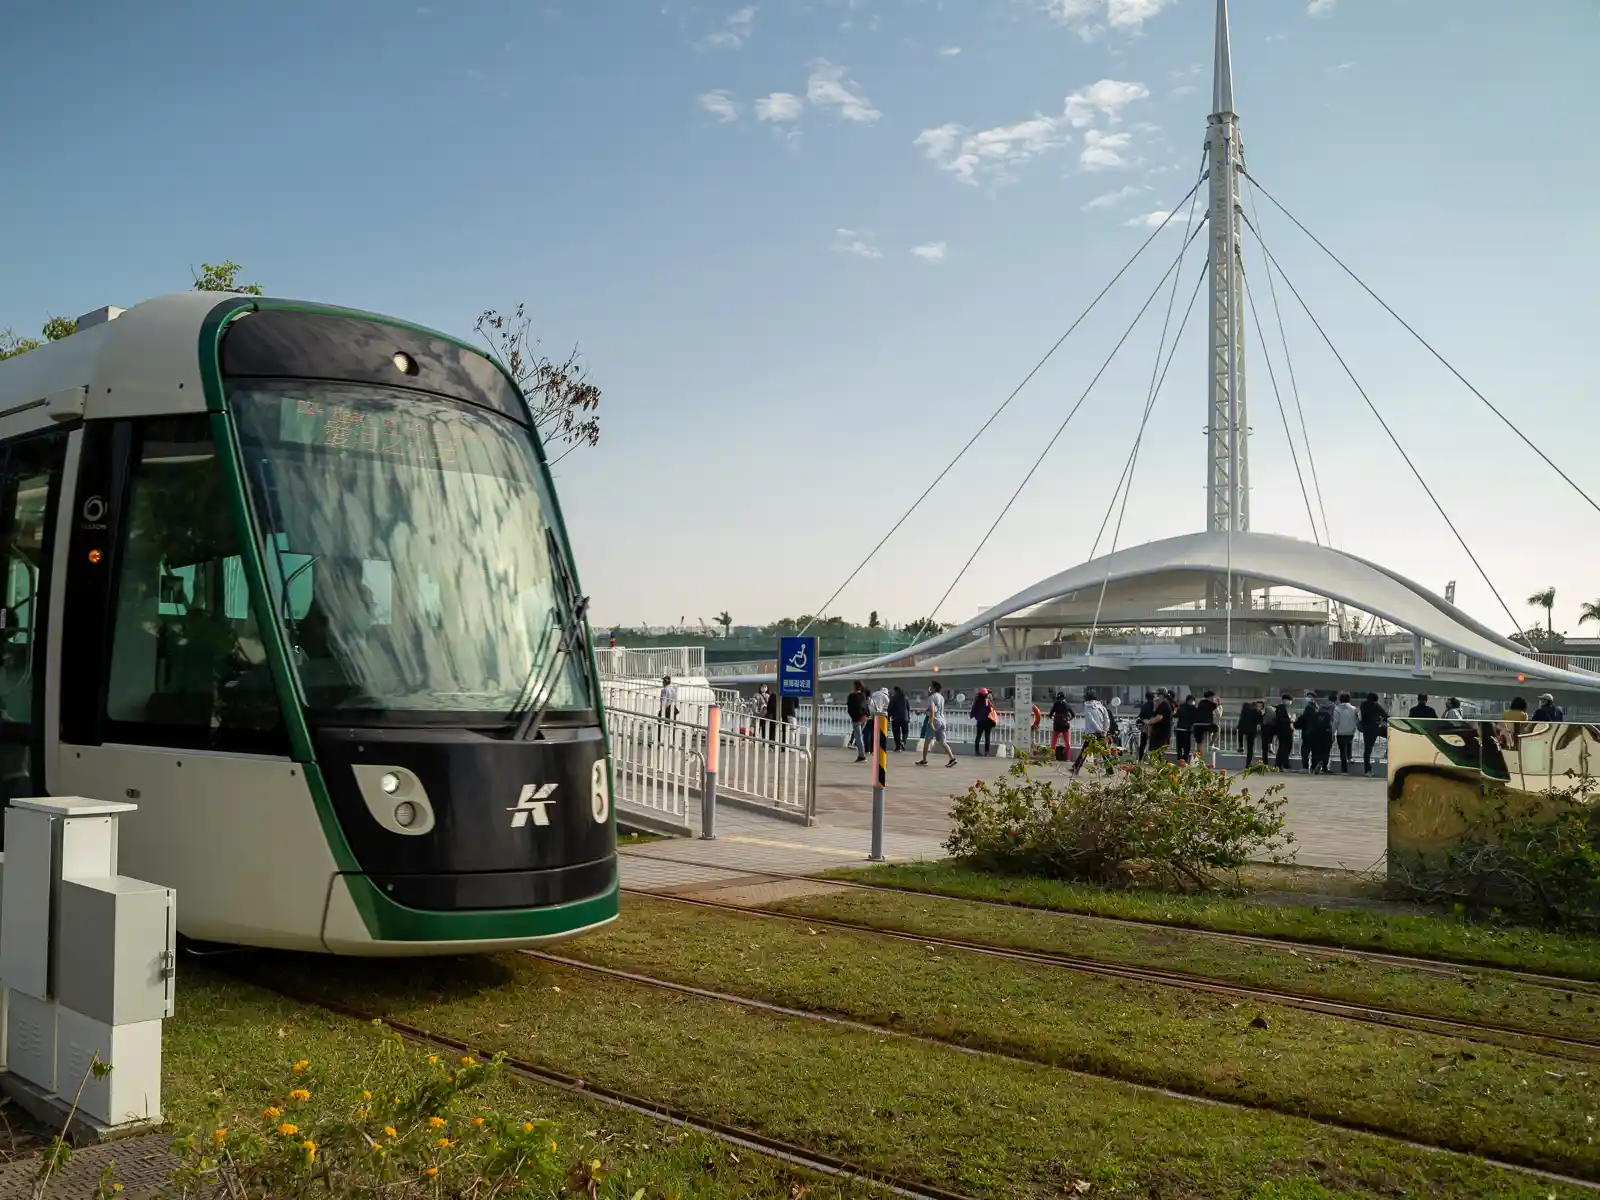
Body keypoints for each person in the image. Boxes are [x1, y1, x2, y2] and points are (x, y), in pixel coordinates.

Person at [916, 680, 958, 768]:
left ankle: (924, 760)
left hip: (935, 721)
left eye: (931, 687)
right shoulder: (941, 697)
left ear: (934, 688)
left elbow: (932, 710)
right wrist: (921, 711)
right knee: (942, 742)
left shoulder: (932, 697)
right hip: (942, 721)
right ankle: (952, 758)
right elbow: (931, 708)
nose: (930, 689)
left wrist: (930, 722)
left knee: (927, 741)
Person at [1073, 689, 1110, 775]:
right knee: (1104, 752)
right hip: (1101, 733)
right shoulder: (1101, 706)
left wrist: (1099, 730)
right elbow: (1106, 719)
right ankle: (1110, 771)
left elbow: (1091, 720)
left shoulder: (1087, 707)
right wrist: (1105, 730)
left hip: (1091, 733)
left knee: (1084, 751)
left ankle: (1075, 768)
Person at [1358, 692, 1388, 776]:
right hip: (1375, 728)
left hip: (1367, 730)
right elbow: (1385, 716)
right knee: (1391, 736)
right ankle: (1387, 752)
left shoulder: (1363, 705)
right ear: (1375, 700)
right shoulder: (1375, 706)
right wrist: (1379, 719)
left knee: (1367, 750)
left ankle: (1367, 771)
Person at [1332, 692, 1360, 774]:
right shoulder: (1354, 709)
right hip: (1350, 732)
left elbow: (1335, 722)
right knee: (1349, 745)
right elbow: (1357, 720)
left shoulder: (1337, 709)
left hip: (1341, 733)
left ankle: (1344, 770)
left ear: (1340, 700)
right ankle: (1350, 757)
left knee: (1342, 752)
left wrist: (1332, 733)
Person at [970, 688, 998, 757]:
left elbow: (973, 710)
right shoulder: (987, 701)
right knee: (987, 737)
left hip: (980, 722)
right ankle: (986, 752)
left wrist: (972, 715)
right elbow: (992, 708)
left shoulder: (977, 701)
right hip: (987, 722)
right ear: (985, 695)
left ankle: (977, 752)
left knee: (978, 737)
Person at [1146, 690, 1174, 758]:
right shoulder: (1161, 704)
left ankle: (1160, 763)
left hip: (1162, 731)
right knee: (1156, 748)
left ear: (1161, 696)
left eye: (1157, 695)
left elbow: (1159, 717)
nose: (1155, 697)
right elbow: (1155, 714)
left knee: (1160, 749)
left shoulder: (1164, 704)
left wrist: (1148, 722)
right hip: (1159, 731)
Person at [1194, 690, 1219, 763]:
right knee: (1217, 729)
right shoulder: (1212, 704)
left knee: (1199, 742)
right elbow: (1218, 714)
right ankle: (1211, 745)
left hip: (1197, 724)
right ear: (1211, 697)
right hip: (1207, 724)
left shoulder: (1201, 702)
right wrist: (1218, 703)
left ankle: (1198, 759)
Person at [846, 681, 869, 761]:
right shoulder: (863, 695)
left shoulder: (851, 696)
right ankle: (862, 753)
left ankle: (862, 756)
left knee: (858, 737)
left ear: (854, 686)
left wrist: (852, 716)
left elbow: (849, 708)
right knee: (859, 737)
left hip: (856, 719)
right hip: (864, 718)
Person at [1238, 698, 1264, 767]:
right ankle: (1248, 764)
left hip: (1242, 727)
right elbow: (1259, 721)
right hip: (1251, 730)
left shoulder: (1245, 708)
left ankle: (1240, 746)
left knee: (1240, 734)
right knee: (1250, 748)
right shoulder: (1257, 712)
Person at [1049, 691, 1075, 761]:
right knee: (1067, 744)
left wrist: (1054, 720)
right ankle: (1067, 758)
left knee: (1053, 743)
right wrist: (1068, 720)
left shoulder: (1056, 704)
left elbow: (1050, 715)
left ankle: (1052, 757)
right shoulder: (1067, 705)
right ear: (1064, 698)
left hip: (1056, 726)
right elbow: (1073, 715)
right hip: (1065, 726)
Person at [1272, 693, 1295, 771]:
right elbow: (1280, 720)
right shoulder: (1281, 708)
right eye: (1290, 701)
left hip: (1286, 731)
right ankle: (1282, 765)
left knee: (1285, 747)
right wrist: (1290, 720)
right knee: (1284, 748)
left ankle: (1280, 764)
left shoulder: (1284, 708)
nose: (1290, 702)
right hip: (1284, 731)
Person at [1174, 693, 1199, 763]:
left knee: (1179, 746)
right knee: (1186, 747)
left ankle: (1179, 760)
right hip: (1187, 730)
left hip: (1179, 729)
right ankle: (1185, 760)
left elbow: (1176, 715)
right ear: (1190, 700)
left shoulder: (1181, 706)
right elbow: (1195, 719)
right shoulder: (1194, 708)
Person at [868, 684, 891, 754]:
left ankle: (871, 749)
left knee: (873, 733)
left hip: (873, 715)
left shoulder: (874, 694)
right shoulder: (885, 696)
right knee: (882, 734)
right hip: (882, 716)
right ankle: (882, 749)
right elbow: (889, 705)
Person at [888, 686, 911, 751]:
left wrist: (888, 716)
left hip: (896, 718)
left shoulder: (893, 698)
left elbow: (890, 709)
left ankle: (898, 747)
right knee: (905, 732)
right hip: (905, 718)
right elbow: (908, 708)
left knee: (896, 733)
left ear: (896, 691)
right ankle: (903, 742)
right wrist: (908, 717)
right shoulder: (906, 698)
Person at [1137, 692, 1157, 758]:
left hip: (1144, 726)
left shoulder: (1144, 706)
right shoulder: (1156, 706)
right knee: (1153, 744)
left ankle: (1140, 758)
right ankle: (1152, 758)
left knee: (1143, 744)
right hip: (1154, 726)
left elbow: (1140, 716)